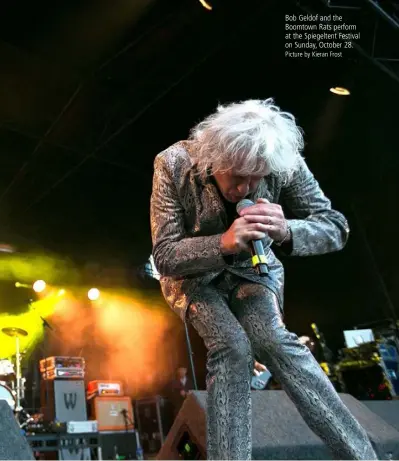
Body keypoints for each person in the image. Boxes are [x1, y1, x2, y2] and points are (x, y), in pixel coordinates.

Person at [150, 99, 377, 460]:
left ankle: (362, 456)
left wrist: (288, 230)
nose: (247, 188)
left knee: (276, 342)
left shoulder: (280, 160)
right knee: (232, 348)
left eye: (257, 178)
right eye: (237, 176)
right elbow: (164, 256)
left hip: (255, 269)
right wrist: (223, 242)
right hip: (192, 278)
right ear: (214, 157)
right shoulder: (173, 163)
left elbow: (334, 226)